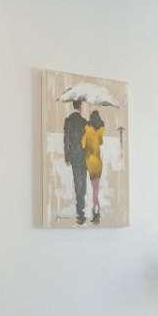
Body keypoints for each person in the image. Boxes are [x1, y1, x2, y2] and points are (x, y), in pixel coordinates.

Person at [62, 96, 90, 224]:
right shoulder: (84, 122)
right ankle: (81, 209)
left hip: (74, 156)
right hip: (83, 157)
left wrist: (67, 156)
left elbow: (66, 140)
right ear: (80, 107)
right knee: (82, 182)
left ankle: (80, 211)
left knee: (77, 180)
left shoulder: (68, 120)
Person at [83, 109, 106, 224]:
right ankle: (96, 211)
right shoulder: (100, 130)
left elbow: (83, 145)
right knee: (96, 189)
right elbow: (101, 142)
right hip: (98, 163)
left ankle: (96, 211)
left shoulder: (87, 130)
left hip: (90, 162)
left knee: (94, 189)